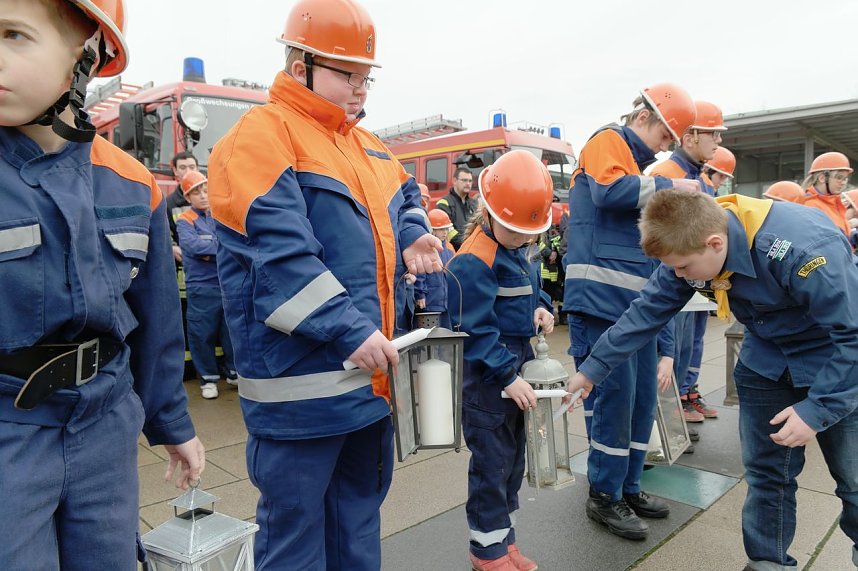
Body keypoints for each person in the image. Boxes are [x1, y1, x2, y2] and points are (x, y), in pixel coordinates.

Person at [206, 0, 443, 568]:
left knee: (357, 526)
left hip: (368, 389)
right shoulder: (258, 137)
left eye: (366, 78)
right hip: (302, 394)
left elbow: (407, 197)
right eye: (347, 75)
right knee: (295, 539)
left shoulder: (367, 146)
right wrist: (347, 328)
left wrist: (412, 231)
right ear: (299, 64)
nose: (360, 90)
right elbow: (280, 257)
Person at [0, 1, 205, 569]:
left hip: (105, 426)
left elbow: (159, 322)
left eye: (13, 34)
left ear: (86, 51)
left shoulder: (131, 183)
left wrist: (170, 424)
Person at [566, 189, 858, 571]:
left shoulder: (803, 250)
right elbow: (645, 312)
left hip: (833, 360)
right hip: (765, 361)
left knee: (853, 480)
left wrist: (816, 410)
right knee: (768, 476)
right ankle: (768, 563)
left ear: (715, 244)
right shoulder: (688, 246)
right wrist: (592, 369)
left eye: (684, 267)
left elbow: (852, 337)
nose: (678, 276)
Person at [562, 82, 698, 540]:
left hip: (626, 304)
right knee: (615, 402)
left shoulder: (632, 159)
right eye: (665, 136)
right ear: (644, 117)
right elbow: (606, 192)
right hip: (601, 300)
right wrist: (669, 184)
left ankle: (628, 485)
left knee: (640, 402)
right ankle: (604, 494)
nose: (666, 148)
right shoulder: (607, 140)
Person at [447, 150, 555, 571]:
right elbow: (473, 330)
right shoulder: (472, 260)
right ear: (489, 211)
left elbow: (525, 289)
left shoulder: (518, 246)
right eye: (514, 229)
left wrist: (541, 307)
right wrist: (507, 376)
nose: (524, 238)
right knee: (492, 465)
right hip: (489, 378)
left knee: (511, 462)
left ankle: (503, 539)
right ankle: (485, 550)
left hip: (513, 368)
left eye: (529, 232)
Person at [650, 101, 725, 426]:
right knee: (671, 351)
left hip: (697, 282)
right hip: (673, 280)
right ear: (691, 135)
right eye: (714, 134)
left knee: (688, 348)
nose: (718, 141)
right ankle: (663, 422)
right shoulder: (666, 175)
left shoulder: (701, 180)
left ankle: (675, 414)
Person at [176, 171, 236, 399]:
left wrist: (212, 249)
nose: (202, 195)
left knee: (230, 332)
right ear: (188, 197)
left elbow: (225, 244)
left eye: (205, 189)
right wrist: (219, 247)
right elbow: (194, 248)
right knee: (202, 334)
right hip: (201, 288)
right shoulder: (184, 220)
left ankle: (233, 372)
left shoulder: (218, 216)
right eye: (195, 192)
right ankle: (208, 379)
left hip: (224, 284)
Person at [414, 209, 456, 329]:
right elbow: (420, 273)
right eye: (441, 229)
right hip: (430, 303)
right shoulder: (427, 250)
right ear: (432, 230)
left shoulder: (449, 251)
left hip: (445, 303)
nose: (445, 232)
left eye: (446, 229)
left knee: (445, 337)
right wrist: (420, 294)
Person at [801, 151, 853, 235]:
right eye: (839, 177)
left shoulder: (834, 203)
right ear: (822, 178)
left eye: (845, 178)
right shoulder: (810, 205)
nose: (843, 182)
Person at [166, 151, 200, 263]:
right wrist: (172, 247)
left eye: (192, 167)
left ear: (197, 169)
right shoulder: (168, 203)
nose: (188, 172)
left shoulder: (211, 198)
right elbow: (163, 231)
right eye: (182, 167)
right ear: (175, 171)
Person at [436, 166, 478, 250]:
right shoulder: (444, 203)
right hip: (454, 252)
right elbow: (447, 230)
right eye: (464, 180)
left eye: (470, 181)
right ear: (455, 181)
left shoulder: (474, 204)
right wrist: (465, 243)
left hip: (472, 250)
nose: (468, 184)